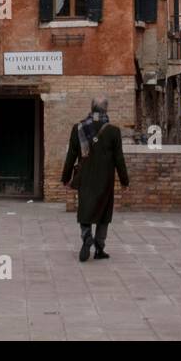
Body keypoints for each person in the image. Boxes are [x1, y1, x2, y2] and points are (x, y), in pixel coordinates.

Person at [61, 97, 129, 262]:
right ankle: (99, 248)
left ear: (91, 109)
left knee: (85, 209)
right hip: (105, 178)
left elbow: (71, 155)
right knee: (103, 213)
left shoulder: (78, 128)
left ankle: (86, 237)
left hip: (85, 177)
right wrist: (124, 181)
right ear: (106, 110)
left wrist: (66, 177)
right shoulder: (113, 131)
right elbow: (119, 158)